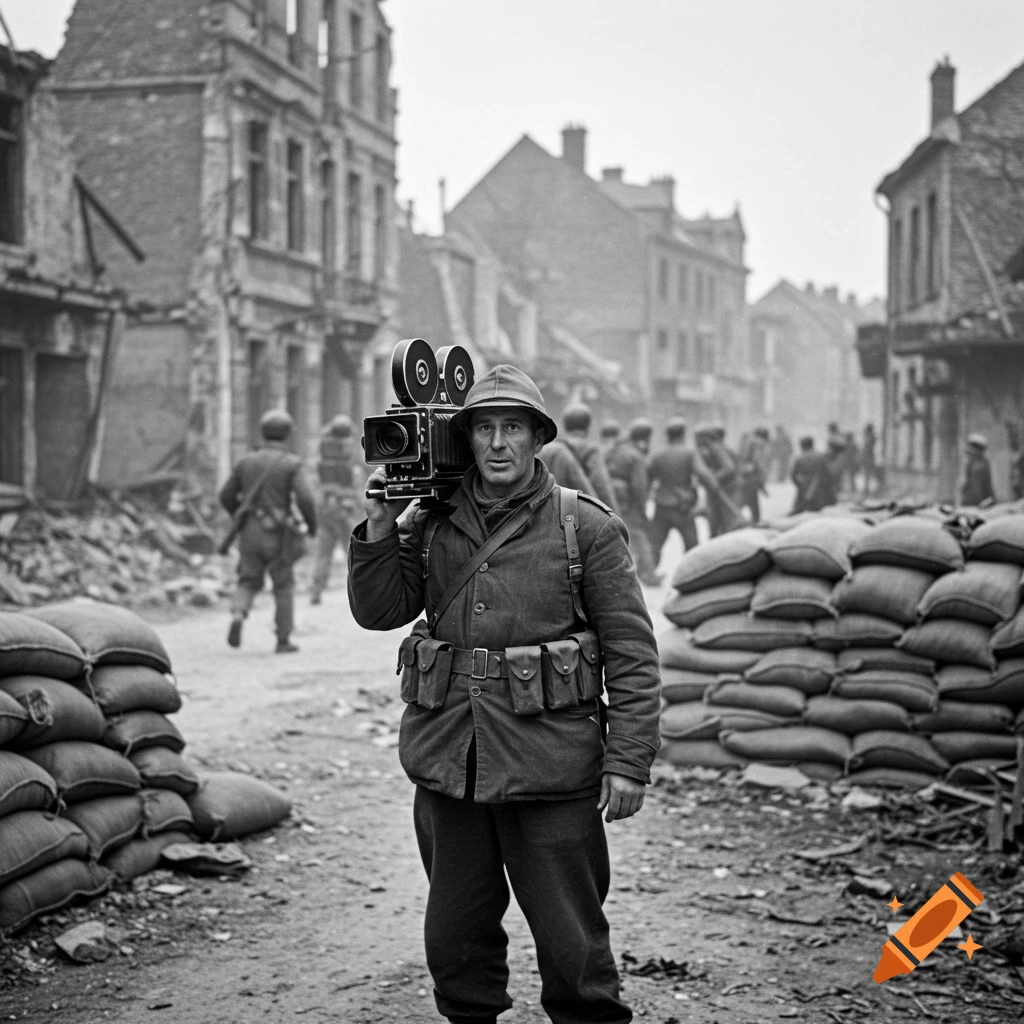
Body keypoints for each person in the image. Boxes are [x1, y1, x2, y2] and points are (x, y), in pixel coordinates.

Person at [348, 363, 661, 1024]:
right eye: (484, 428)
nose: (497, 443)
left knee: (574, 948)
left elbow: (633, 653)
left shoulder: (585, 528)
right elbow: (380, 611)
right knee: (455, 942)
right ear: (467, 438)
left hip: (550, 767)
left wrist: (629, 761)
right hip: (450, 763)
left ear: (537, 437)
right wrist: (380, 521)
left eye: (512, 428)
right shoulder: (432, 520)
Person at [219, 409, 317, 653]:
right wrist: (311, 526)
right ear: (287, 434)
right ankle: (283, 640)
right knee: (283, 585)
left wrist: (240, 515)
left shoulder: (245, 461)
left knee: (248, 579)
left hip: (250, 530)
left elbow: (225, 495)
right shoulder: (291, 463)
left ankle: (239, 614)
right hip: (279, 533)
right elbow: (305, 498)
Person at [647, 417, 721, 559]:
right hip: (683, 506)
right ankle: (691, 575)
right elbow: (703, 474)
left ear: (667, 435)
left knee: (655, 544)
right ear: (683, 434)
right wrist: (714, 487)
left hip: (661, 504)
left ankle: (648, 575)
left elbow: (648, 477)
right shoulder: (689, 453)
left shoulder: (657, 455)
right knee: (692, 545)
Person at [309, 414, 362, 605]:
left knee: (323, 553)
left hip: (324, 508)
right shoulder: (348, 462)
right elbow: (356, 489)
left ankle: (316, 590)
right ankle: (361, 594)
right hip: (342, 509)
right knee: (352, 552)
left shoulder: (321, 461)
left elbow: (315, 484)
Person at [606, 418, 662, 586]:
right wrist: (642, 508)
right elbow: (640, 486)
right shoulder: (636, 455)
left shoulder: (615, 448)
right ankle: (649, 575)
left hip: (610, 498)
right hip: (628, 502)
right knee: (639, 535)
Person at [560, 403, 619, 510]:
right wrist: (613, 514)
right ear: (587, 426)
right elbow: (601, 485)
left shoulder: (555, 447)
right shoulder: (591, 450)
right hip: (582, 510)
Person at [695, 426, 741, 537]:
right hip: (717, 491)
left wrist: (713, 478)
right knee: (715, 524)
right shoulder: (710, 448)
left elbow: (729, 468)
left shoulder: (716, 448)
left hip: (725, 490)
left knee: (724, 524)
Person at [791, 435, 836, 513]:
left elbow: (793, 476)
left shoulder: (800, 458)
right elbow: (828, 475)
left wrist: (801, 485)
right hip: (819, 491)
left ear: (802, 446)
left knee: (802, 511)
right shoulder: (820, 457)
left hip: (804, 491)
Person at [738, 426, 772, 523]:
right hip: (751, 477)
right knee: (751, 502)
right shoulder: (758, 443)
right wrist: (761, 481)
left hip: (744, 475)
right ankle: (754, 522)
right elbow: (757, 461)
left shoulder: (746, 440)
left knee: (746, 500)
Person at [961, 434, 995, 507]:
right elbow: (968, 482)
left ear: (978, 450)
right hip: (968, 501)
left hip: (979, 501)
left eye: (972, 448)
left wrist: (988, 500)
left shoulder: (983, 464)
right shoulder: (970, 463)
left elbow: (986, 484)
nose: (969, 450)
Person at [862, 423, 879, 496]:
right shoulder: (870, 437)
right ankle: (867, 488)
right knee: (868, 474)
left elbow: (867, 448)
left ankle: (869, 488)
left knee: (869, 473)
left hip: (869, 457)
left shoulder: (870, 437)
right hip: (869, 457)